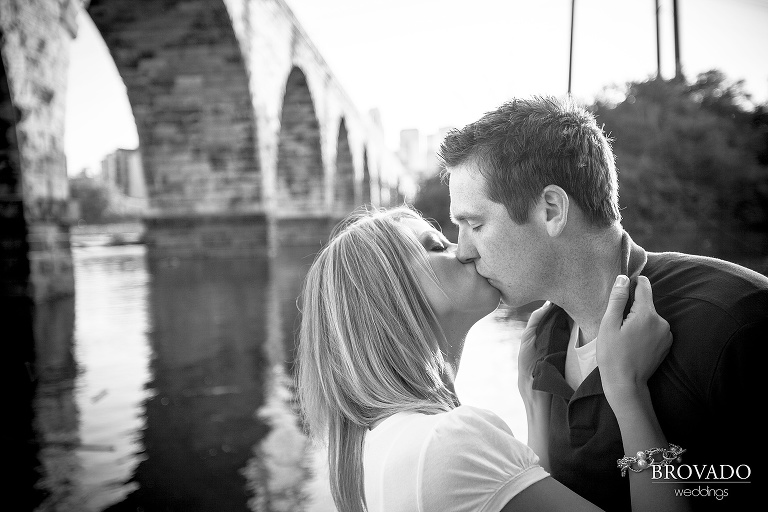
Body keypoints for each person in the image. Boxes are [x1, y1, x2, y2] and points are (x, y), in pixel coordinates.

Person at [439, 95, 767, 511]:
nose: (463, 251)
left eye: (475, 224)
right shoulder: (542, 347)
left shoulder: (737, 321)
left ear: (551, 210)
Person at [296, 206, 684, 512]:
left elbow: (526, 497)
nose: (464, 251)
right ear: (388, 298)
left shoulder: (376, 446)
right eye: (436, 246)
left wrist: (533, 401)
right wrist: (627, 390)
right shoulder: (447, 443)